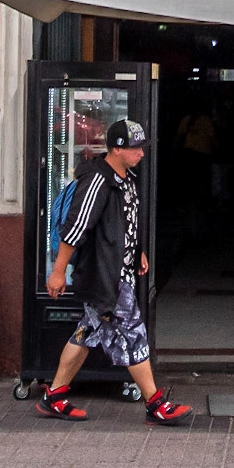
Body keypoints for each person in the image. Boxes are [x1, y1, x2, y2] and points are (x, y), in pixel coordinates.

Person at [36, 119, 190, 426]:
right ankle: (156, 404)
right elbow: (75, 229)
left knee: (86, 333)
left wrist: (137, 251)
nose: (141, 154)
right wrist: (58, 272)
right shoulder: (98, 182)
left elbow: (125, 223)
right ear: (117, 149)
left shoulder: (126, 179)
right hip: (105, 276)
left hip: (117, 272)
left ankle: (54, 396)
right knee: (133, 333)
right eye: (136, 149)